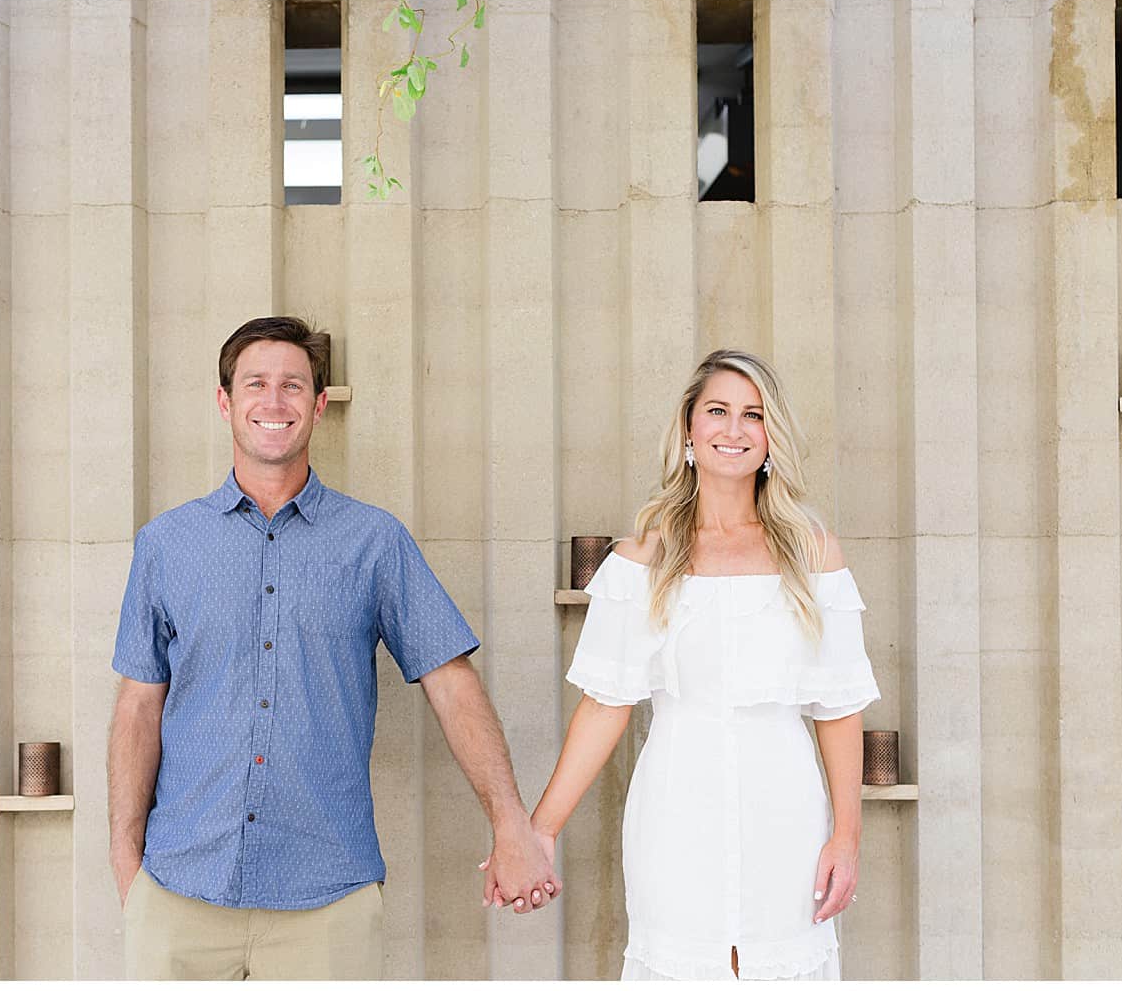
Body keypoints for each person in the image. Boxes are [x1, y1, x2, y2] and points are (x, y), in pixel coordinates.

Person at [107, 316, 559, 980]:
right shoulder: (166, 545)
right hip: (179, 891)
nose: (274, 400)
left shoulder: (375, 542)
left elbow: (452, 683)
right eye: (255, 383)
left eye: (293, 385)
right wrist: (127, 861)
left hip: (328, 900)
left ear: (319, 405)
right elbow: (138, 706)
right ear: (225, 401)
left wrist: (511, 823)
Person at [521, 348, 879, 980]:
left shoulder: (814, 554)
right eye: (717, 411)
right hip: (674, 808)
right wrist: (540, 830)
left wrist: (845, 837)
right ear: (689, 427)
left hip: (787, 810)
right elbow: (604, 706)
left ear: (770, 436)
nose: (733, 429)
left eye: (753, 415)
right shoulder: (641, 558)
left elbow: (839, 708)